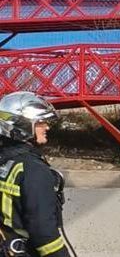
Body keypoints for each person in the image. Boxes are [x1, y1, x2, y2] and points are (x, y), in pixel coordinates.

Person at [0, 91, 76, 257]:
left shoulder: (5, 160)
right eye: (40, 122)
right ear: (22, 125)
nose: (47, 127)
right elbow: (44, 234)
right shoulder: (34, 170)